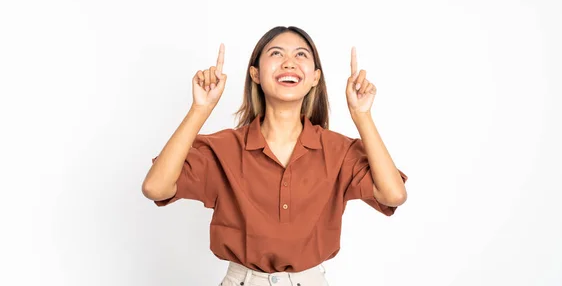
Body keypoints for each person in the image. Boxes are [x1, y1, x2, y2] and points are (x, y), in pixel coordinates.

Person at [142, 26, 408, 286]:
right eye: (277, 53)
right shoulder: (223, 148)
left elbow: (393, 194)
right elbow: (156, 187)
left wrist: (362, 115)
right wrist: (200, 109)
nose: (289, 63)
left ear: (315, 77)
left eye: (301, 55)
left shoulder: (338, 150)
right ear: (255, 74)